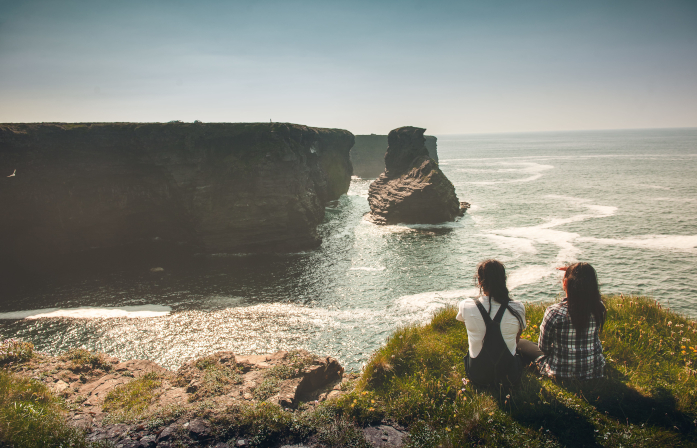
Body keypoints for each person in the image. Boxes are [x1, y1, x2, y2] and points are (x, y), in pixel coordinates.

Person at [517, 262, 606, 379]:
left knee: (520, 343)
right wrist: (575, 271)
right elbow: (589, 286)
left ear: (565, 283)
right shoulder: (599, 308)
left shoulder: (555, 312)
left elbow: (544, 348)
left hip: (559, 372)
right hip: (594, 369)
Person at [456, 259, 526, 386]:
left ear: (479, 281)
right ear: (504, 280)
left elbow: (467, 326)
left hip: (477, 375)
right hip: (509, 376)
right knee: (524, 345)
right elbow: (516, 340)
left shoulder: (466, 305)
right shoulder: (518, 307)